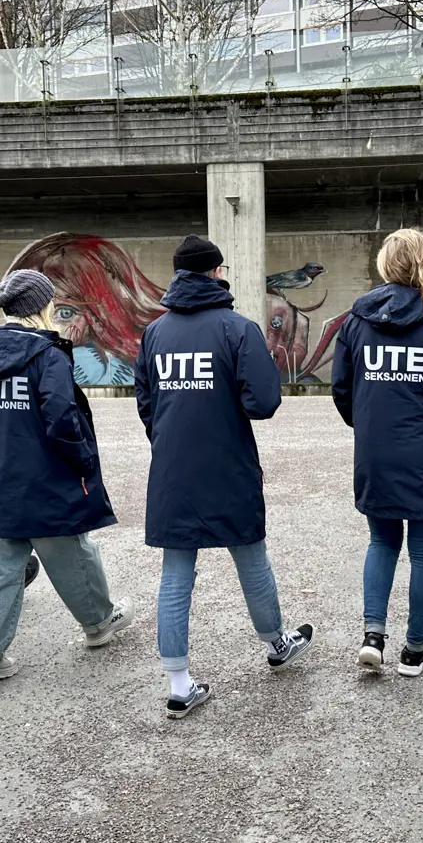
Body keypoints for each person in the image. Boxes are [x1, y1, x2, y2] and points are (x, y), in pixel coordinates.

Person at [134, 235, 314, 719]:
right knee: (250, 554)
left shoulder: (155, 333)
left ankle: (178, 684)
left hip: (173, 466)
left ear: (177, 276)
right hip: (228, 460)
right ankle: (278, 642)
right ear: (216, 273)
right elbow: (264, 403)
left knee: (176, 572)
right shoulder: (238, 328)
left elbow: (146, 404)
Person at [0, 269, 133, 684]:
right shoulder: (48, 355)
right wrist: (82, 463)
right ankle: (98, 624)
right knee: (71, 552)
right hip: (47, 477)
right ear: (41, 306)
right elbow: (61, 417)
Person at [330, 229, 423, 677]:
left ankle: (373, 635)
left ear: (385, 266)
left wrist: (368, 426)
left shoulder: (356, 321)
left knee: (381, 541)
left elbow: (341, 388)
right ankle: (415, 649)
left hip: (375, 450)